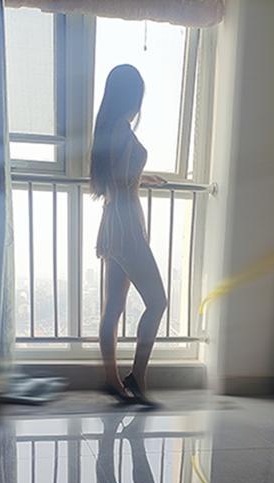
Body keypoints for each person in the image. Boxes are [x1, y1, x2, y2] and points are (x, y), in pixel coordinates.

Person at [91, 64, 167, 408]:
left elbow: (115, 176)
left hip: (114, 221)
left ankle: (113, 380)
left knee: (113, 308)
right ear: (133, 95)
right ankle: (137, 375)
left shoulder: (108, 129)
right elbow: (122, 176)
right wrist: (137, 177)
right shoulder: (120, 130)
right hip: (127, 227)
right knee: (157, 302)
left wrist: (143, 178)